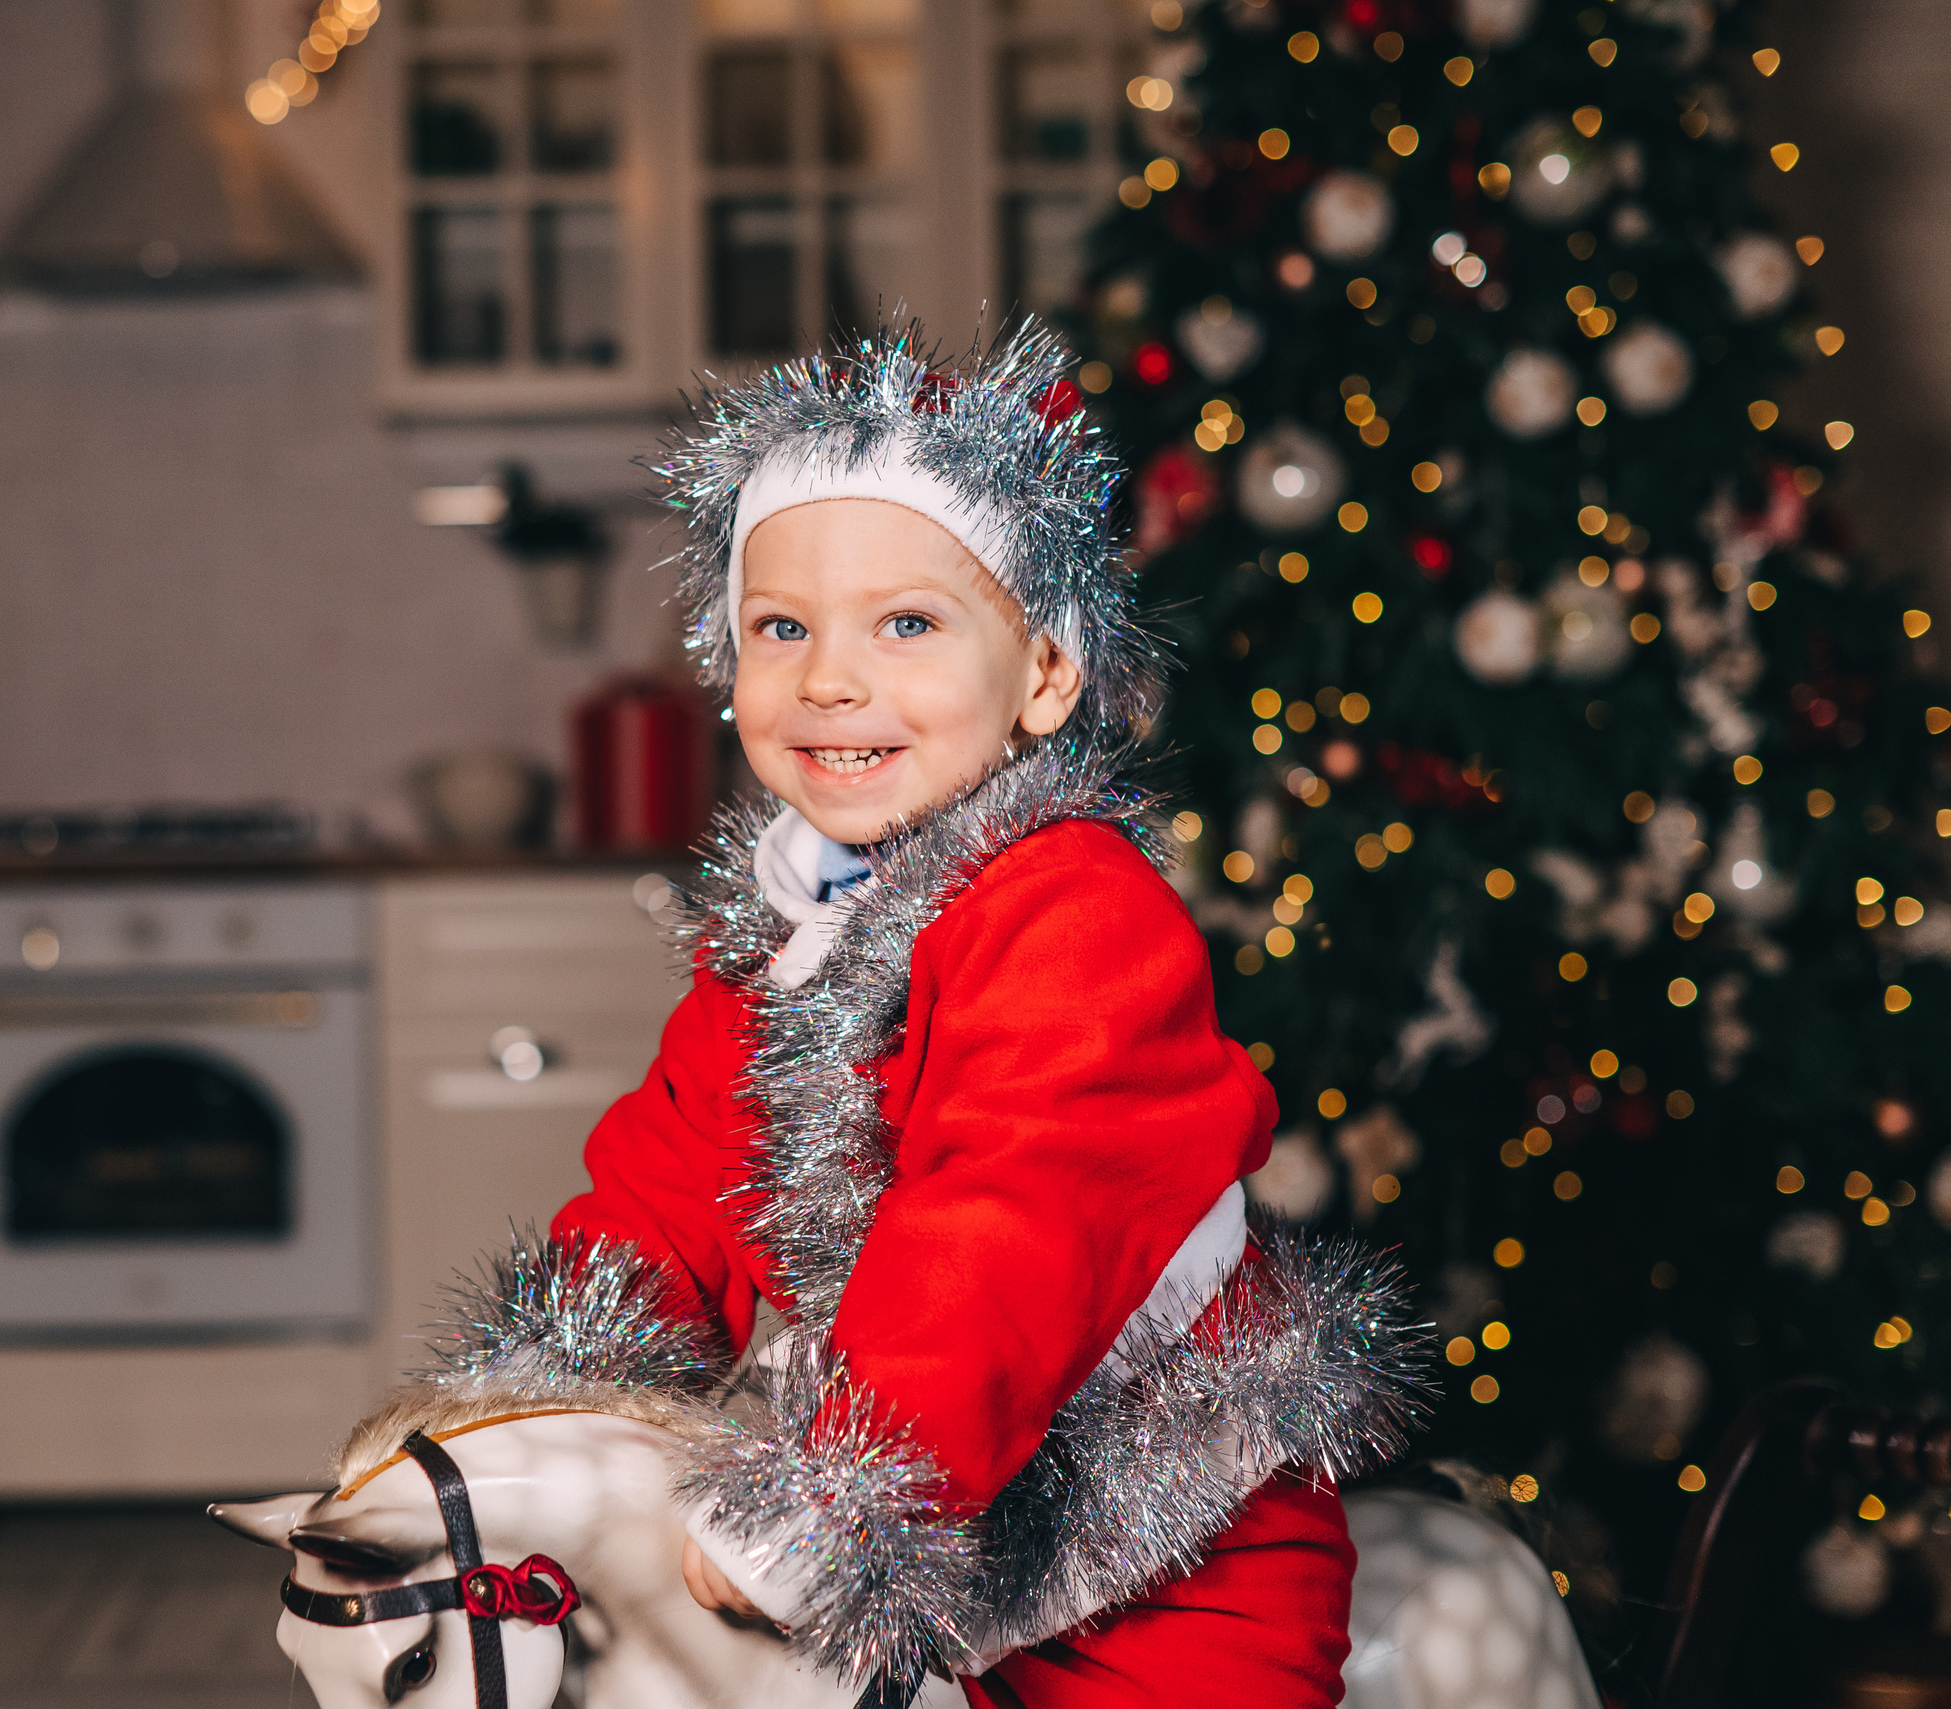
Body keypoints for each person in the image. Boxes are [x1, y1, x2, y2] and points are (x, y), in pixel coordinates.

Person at [431, 325, 1424, 1708]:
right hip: (920, 1520)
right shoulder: (784, 941)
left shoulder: (1080, 915)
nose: (830, 678)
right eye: (784, 627)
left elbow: (1013, 1223)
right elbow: (674, 1185)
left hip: (1158, 1554)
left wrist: (836, 1492)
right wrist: (546, 1405)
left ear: (1045, 678)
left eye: (906, 622)